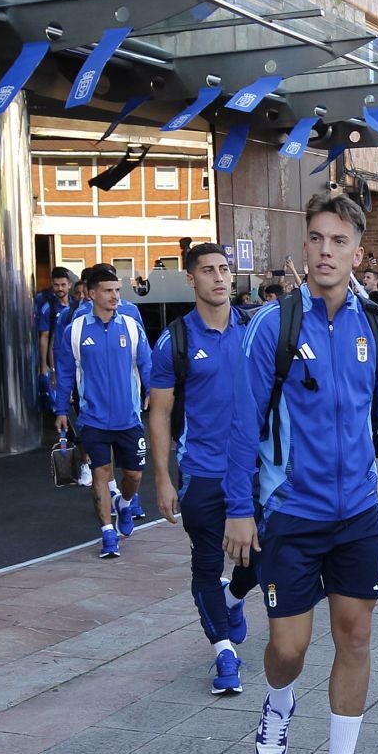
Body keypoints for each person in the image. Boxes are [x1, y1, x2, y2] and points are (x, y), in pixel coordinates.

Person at [224, 190, 378, 754]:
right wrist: (239, 509)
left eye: (338, 240)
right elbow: (242, 425)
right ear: (304, 245)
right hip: (290, 512)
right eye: (316, 237)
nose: (325, 249)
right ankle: (280, 701)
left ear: (357, 253)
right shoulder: (274, 325)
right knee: (287, 648)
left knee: (356, 636)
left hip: (358, 515)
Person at [147, 244, 250, 694]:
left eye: (224, 269)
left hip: (253, 471)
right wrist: (164, 479)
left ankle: (234, 597)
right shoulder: (176, 341)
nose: (219, 277)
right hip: (203, 474)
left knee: (265, 560)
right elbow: (160, 413)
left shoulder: (254, 329)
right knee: (206, 565)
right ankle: (224, 652)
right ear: (192, 279)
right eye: (208, 270)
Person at [52, 265, 151, 559]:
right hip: (92, 419)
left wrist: (153, 395)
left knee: (133, 475)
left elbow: (147, 366)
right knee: (100, 474)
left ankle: (125, 503)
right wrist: (59, 409)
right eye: (108, 291)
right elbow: (66, 374)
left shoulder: (132, 327)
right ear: (91, 294)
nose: (115, 297)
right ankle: (108, 535)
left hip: (129, 418)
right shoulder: (76, 330)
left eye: (117, 291)